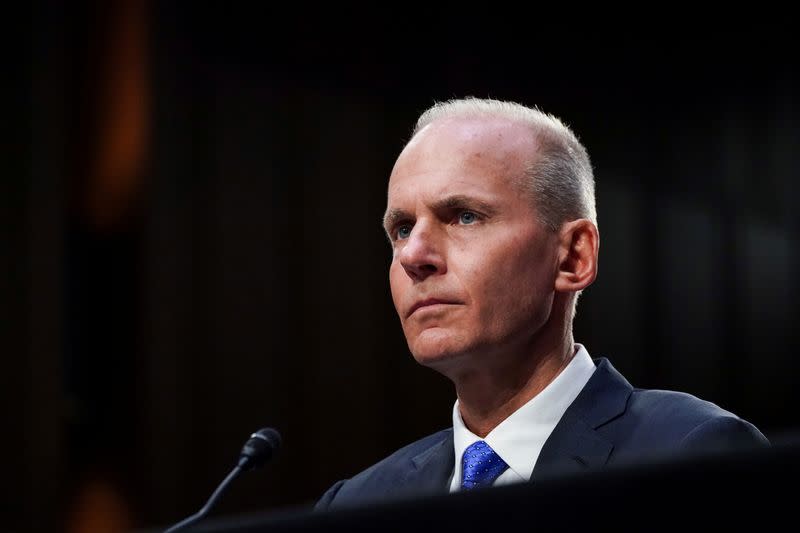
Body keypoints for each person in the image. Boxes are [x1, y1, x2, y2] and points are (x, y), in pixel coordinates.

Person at [315, 97, 769, 510]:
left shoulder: (692, 455)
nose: (414, 256)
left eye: (464, 216)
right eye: (402, 229)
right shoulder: (358, 504)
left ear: (573, 256)